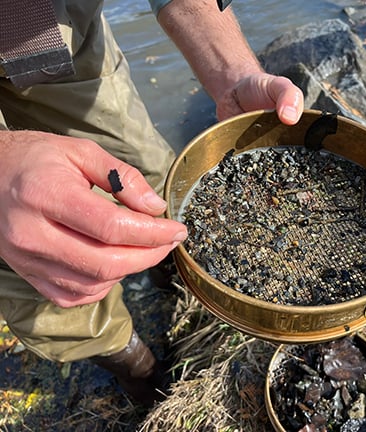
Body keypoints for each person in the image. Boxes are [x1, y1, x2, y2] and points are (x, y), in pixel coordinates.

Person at [0, 0, 304, 408]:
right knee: (36, 266)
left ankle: (171, 275)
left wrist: (234, 75)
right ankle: (135, 366)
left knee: (151, 180)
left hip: (50, 22)